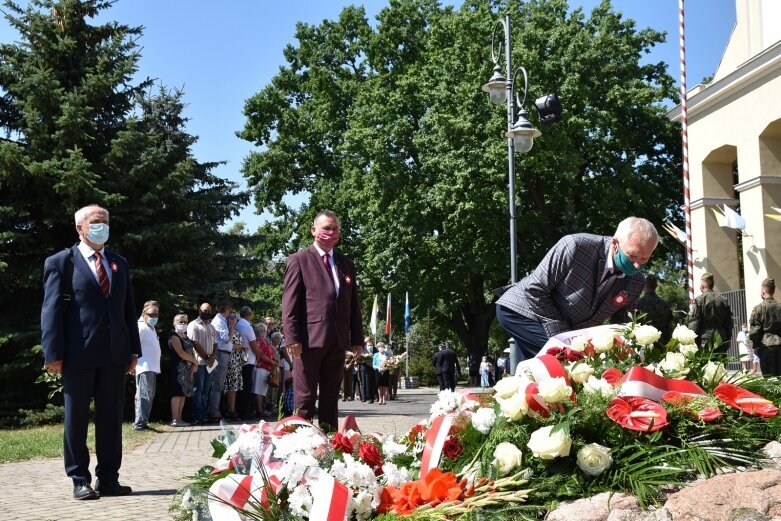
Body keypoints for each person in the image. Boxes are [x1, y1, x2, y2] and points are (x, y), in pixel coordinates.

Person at [41, 204, 141, 499]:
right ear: (79, 228)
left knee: (111, 419)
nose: (102, 226)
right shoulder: (62, 262)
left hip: (114, 354)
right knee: (77, 418)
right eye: (96, 222)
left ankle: (108, 478)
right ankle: (79, 478)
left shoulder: (118, 262)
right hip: (77, 354)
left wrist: (133, 350)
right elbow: (51, 311)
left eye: (106, 221)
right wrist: (52, 353)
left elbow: (128, 309)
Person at [496, 217, 658, 364]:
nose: (637, 265)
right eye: (632, 255)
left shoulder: (636, 282)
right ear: (615, 244)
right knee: (566, 360)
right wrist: (564, 337)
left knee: (537, 373)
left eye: (645, 258)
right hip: (522, 311)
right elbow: (535, 289)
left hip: (565, 330)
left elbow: (621, 325)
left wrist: (625, 358)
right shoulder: (576, 246)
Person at [281, 210, 364, 431]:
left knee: (330, 399)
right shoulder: (299, 260)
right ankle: (301, 448)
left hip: (337, 343)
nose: (331, 232)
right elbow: (289, 304)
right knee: (305, 398)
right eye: (326, 228)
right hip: (308, 343)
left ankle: (329, 449)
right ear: (314, 230)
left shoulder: (346, 264)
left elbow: (353, 305)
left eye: (335, 228)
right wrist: (292, 338)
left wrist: (357, 339)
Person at [187, 302, 217, 424]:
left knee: (206, 390)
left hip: (210, 363)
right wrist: (206, 356)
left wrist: (213, 356)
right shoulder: (193, 325)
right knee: (197, 389)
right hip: (199, 362)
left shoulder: (211, 326)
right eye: (204, 310)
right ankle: (197, 415)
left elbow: (215, 343)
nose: (206, 313)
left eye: (209, 310)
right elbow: (194, 343)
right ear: (199, 311)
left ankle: (204, 414)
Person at [133, 300, 161, 430]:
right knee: (144, 395)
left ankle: (143, 422)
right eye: (152, 314)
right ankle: (139, 424)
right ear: (144, 314)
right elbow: (133, 346)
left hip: (151, 366)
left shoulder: (151, 327)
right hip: (144, 366)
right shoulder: (141, 327)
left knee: (148, 395)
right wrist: (132, 364)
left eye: (156, 314)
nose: (154, 317)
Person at [689, 272, 733, 352]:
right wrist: (728, 339)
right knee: (720, 364)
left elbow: (694, 323)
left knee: (706, 364)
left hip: (705, 341)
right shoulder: (723, 300)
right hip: (721, 339)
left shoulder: (699, 300)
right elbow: (728, 323)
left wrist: (690, 341)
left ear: (702, 286)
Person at [168, 313, 199, 426]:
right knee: (177, 393)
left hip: (188, 369)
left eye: (185, 322)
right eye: (180, 322)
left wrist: (195, 364)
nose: (183, 324)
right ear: (174, 323)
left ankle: (180, 419)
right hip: (178, 369)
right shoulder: (174, 336)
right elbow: (181, 353)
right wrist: (194, 361)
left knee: (183, 394)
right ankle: (175, 419)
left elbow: (192, 351)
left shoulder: (186, 337)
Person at [208, 300, 236, 422]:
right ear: (226, 309)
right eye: (229, 310)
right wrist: (232, 328)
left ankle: (215, 410)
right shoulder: (219, 321)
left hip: (222, 354)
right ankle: (214, 411)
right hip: (220, 354)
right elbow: (226, 339)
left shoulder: (221, 320)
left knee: (218, 384)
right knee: (217, 384)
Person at [749, 278, 781, 376]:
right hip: (780, 344)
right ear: (773, 291)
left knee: (769, 379)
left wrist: (755, 346)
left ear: (763, 292)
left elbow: (755, 331)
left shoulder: (759, 308)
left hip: (766, 346)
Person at [235, 306, 259, 420]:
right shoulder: (247, 326)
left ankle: (240, 410)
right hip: (248, 359)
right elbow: (253, 344)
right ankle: (244, 412)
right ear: (249, 314)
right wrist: (259, 355)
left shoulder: (238, 324)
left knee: (240, 386)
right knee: (246, 387)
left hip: (238, 358)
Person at [223, 310, 248, 420]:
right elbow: (230, 346)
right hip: (230, 363)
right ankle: (231, 411)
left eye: (235, 318)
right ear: (227, 319)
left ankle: (231, 410)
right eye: (231, 317)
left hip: (237, 363)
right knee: (230, 388)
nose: (233, 319)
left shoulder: (237, 331)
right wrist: (242, 346)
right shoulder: (227, 331)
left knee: (235, 388)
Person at [635, 275, 673, 342]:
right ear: (656, 286)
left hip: (645, 339)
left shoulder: (639, 303)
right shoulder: (665, 304)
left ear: (644, 286)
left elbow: (635, 323)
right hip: (662, 339)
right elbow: (669, 324)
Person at [252, 322, 277, 420]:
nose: (264, 332)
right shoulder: (257, 341)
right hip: (260, 367)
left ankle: (261, 409)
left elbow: (270, 352)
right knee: (258, 390)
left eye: (265, 331)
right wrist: (272, 362)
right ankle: (259, 410)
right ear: (257, 331)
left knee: (262, 391)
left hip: (267, 368)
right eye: (262, 331)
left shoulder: (265, 341)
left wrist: (274, 360)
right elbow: (260, 355)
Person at [360, 337, 377, 402]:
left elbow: (377, 357)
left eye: (367, 341)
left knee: (371, 383)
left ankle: (371, 398)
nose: (366, 342)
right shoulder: (363, 348)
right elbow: (359, 356)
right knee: (363, 382)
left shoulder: (374, 348)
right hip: (364, 366)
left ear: (370, 341)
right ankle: (364, 397)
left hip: (371, 367)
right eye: (365, 341)